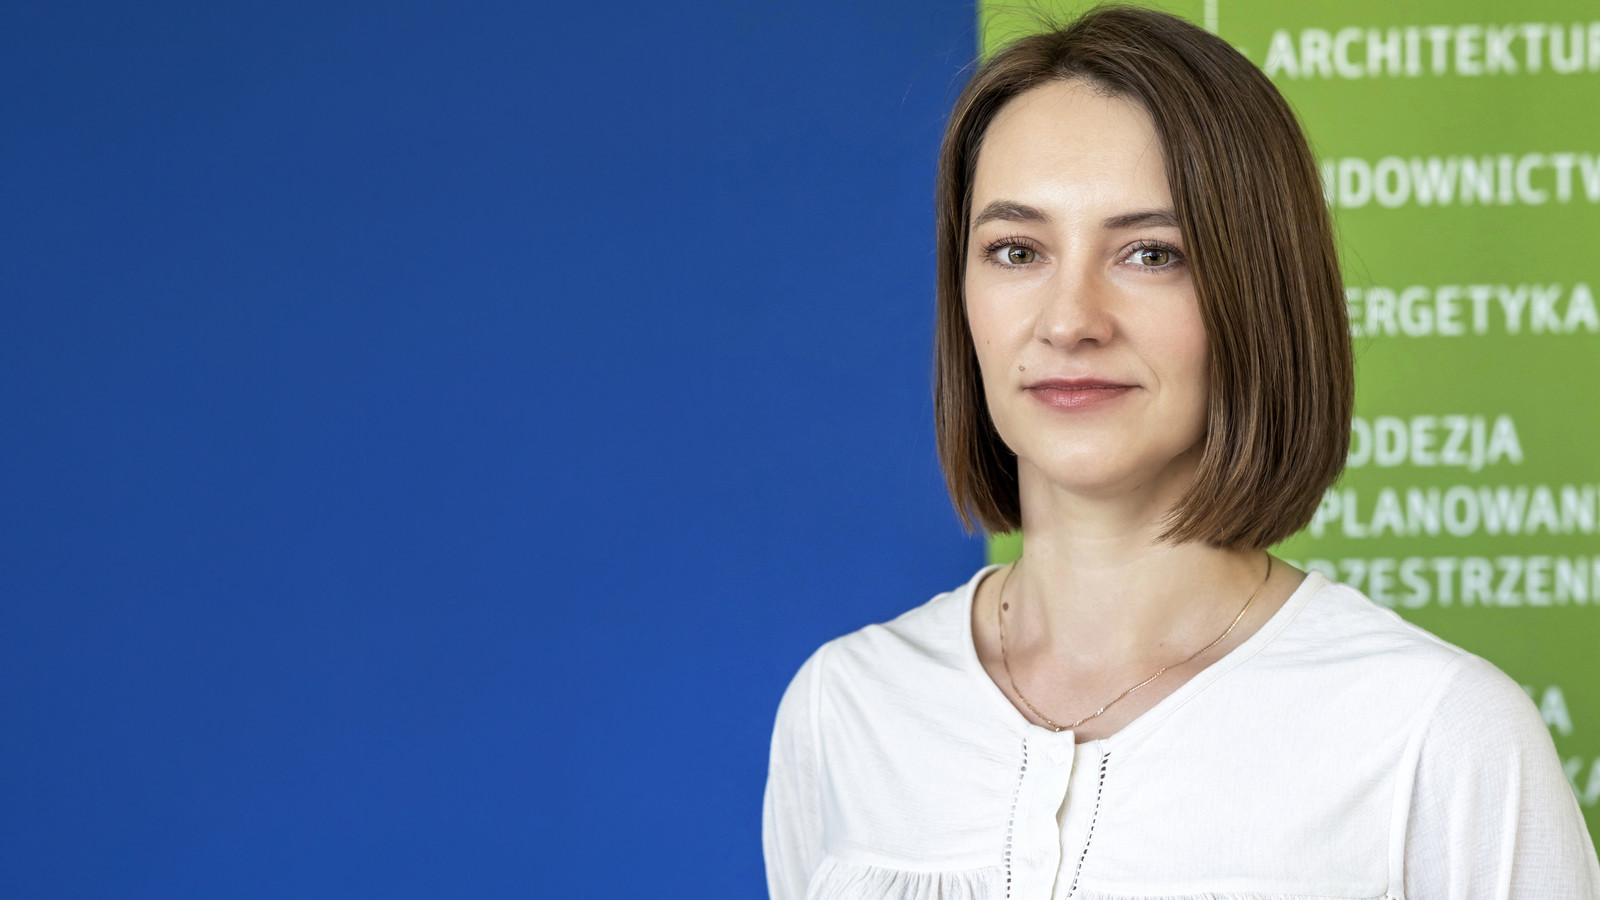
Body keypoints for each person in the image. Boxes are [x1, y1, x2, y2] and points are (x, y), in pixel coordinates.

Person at [761, 5, 1600, 900]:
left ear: (1257, 292)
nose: (1070, 321)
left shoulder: (1441, 736)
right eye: (1016, 250)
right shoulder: (845, 707)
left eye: (1151, 254)